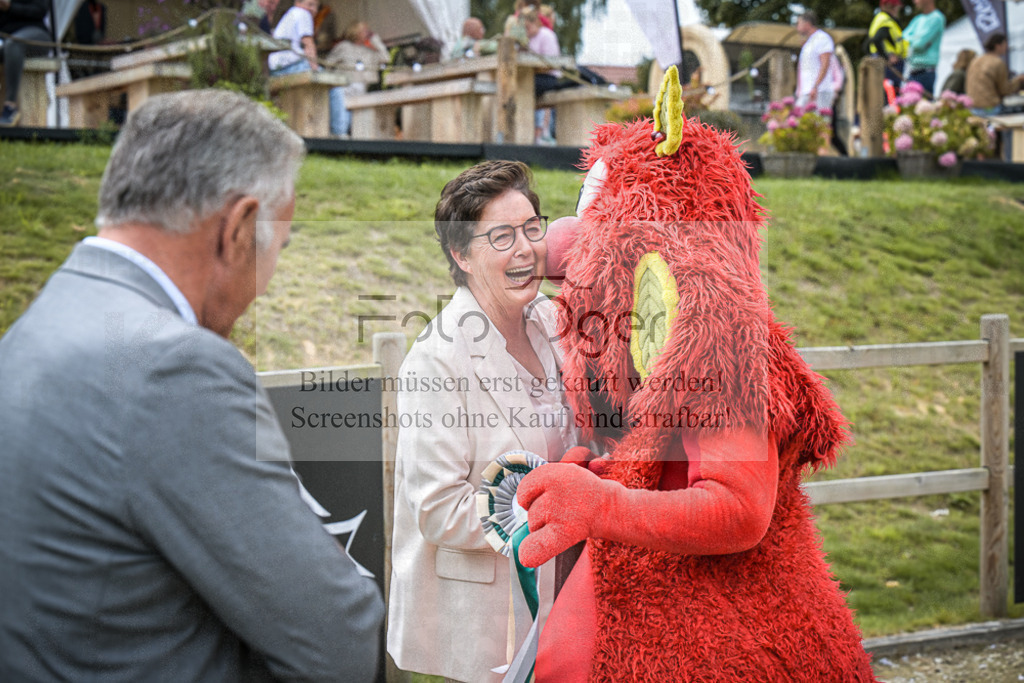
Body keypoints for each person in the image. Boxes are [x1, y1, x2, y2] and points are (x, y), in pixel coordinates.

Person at [0, 89, 384, 680]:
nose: (270, 282)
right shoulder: (175, 369)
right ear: (239, 227)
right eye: (276, 247)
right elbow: (338, 637)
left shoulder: (43, 317)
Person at [387, 160, 576, 683]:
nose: (525, 249)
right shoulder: (437, 358)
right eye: (500, 236)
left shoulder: (554, 321)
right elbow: (436, 507)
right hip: (483, 622)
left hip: (568, 597)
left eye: (532, 228)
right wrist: (545, 519)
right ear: (460, 254)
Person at [323, 20, 390, 137]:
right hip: (344, 88)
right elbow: (327, 65)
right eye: (364, 30)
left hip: (361, 90)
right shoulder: (343, 47)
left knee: (357, 125)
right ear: (355, 31)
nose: (367, 33)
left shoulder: (368, 51)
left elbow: (386, 58)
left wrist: (375, 40)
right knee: (343, 122)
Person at [0, 0, 50, 126]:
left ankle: (10, 106)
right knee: (10, 44)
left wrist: (11, 7)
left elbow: (40, 11)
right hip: (5, 38)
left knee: (13, 44)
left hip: (35, 34)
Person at [523, 6, 562, 144]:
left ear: (535, 23)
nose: (526, 31)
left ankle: (537, 132)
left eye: (528, 27)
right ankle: (528, 132)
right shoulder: (527, 39)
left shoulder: (546, 35)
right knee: (521, 86)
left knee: (523, 87)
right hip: (533, 78)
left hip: (548, 78)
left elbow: (550, 64)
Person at [966, 33, 1024, 116]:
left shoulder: (975, 60)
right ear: (998, 45)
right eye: (1005, 44)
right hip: (991, 108)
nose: (1006, 47)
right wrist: (1019, 80)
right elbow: (1005, 90)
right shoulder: (998, 63)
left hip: (973, 107)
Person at [794, 10, 840, 113]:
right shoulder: (809, 42)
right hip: (807, 91)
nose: (797, 27)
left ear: (807, 23)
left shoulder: (822, 38)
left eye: (799, 23)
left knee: (820, 124)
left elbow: (825, 64)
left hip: (820, 90)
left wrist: (815, 86)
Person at [903, 0, 945, 96]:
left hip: (926, 73)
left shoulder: (937, 18)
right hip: (912, 72)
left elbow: (919, 44)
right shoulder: (917, 19)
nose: (914, 1)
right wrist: (917, 39)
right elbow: (902, 39)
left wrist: (913, 39)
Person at [268, 0, 320, 75]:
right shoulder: (304, 13)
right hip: (289, 65)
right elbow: (308, 45)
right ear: (297, 3)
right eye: (310, 4)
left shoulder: (291, 13)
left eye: (316, 6)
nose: (314, 9)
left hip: (274, 68)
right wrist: (316, 70)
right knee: (333, 84)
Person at [866, 0, 907, 90]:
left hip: (881, 61)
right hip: (890, 65)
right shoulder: (886, 20)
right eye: (896, 7)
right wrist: (887, 57)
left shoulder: (879, 18)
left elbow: (868, 44)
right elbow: (876, 39)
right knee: (891, 94)